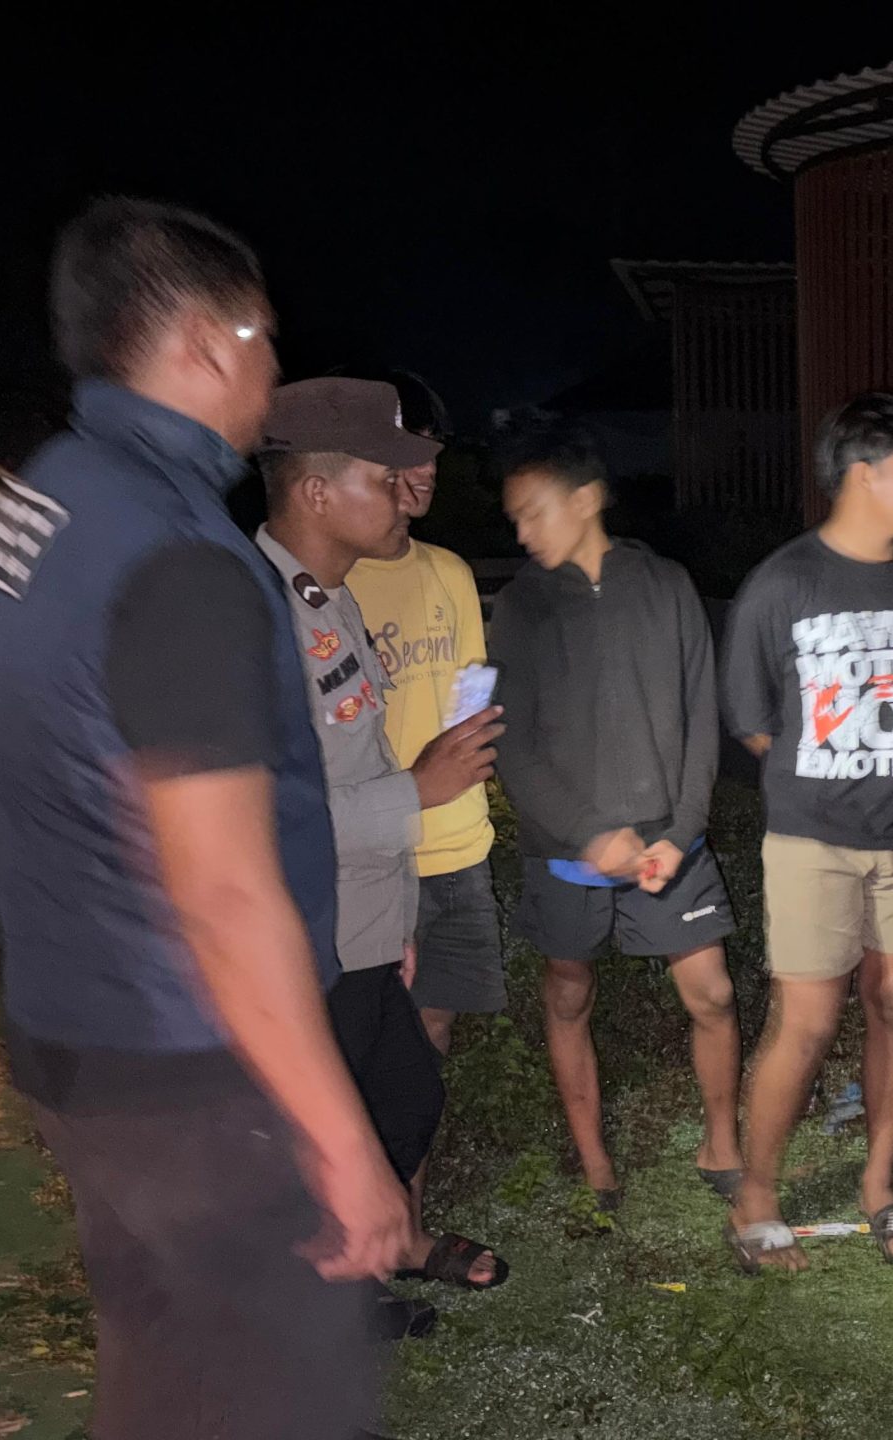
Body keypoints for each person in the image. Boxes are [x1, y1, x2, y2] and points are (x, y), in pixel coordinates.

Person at [0, 198, 401, 1440]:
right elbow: (220, 888)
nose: (274, 366)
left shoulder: (39, 502)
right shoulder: (179, 555)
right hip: (194, 1078)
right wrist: (341, 1139)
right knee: (280, 1403)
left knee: (164, 1376)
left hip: (74, 1046)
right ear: (207, 341)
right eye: (267, 337)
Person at [255, 377, 509, 1314]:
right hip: (307, 934)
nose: (405, 490)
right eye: (383, 474)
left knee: (403, 1100)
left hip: (361, 919)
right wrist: (421, 790)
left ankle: (380, 1248)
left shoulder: (327, 600)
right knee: (335, 1127)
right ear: (317, 491)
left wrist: (394, 917)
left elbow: (349, 760)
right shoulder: (258, 617)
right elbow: (261, 822)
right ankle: (327, 1295)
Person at [719, 392, 893, 1273]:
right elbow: (751, 718)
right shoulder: (782, 583)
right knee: (808, 1019)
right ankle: (756, 1194)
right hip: (811, 837)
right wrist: (825, 778)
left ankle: (879, 1184)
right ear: (863, 475)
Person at [487, 421, 742, 1212]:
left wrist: (681, 830)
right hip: (566, 849)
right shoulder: (521, 607)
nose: (522, 533)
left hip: (670, 839)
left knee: (712, 994)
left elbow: (702, 715)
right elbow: (513, 743)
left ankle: (722, 1143)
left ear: (587, 499)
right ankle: (595, 1160)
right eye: (515, 519)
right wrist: (589, 832)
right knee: (569, 992)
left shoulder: (666, 584)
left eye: (534, 512)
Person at [339, 370, 507, 1287]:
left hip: (458, 846)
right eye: (404, 456)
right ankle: (352, 1241)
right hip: (374, 849)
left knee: (426, 1042)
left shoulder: (449, 572)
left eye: (432, 455)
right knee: (360, 1047)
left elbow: (469, 694)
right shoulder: (332, 584)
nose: (424, 472)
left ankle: (404, 1227)